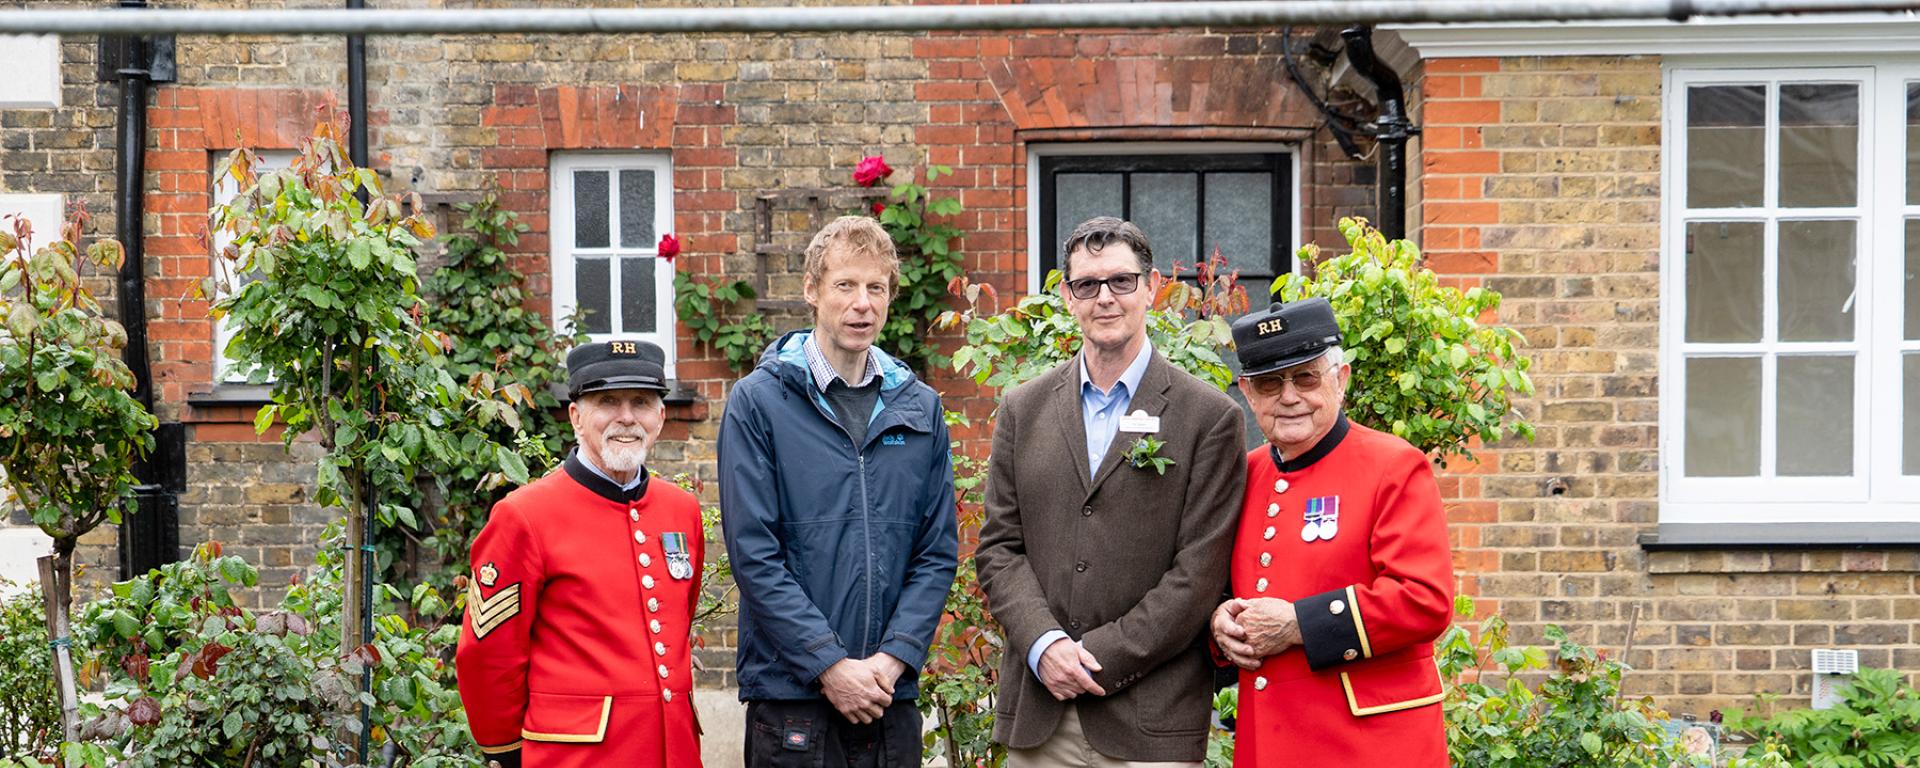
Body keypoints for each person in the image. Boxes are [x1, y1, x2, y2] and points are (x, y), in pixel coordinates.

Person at [976, 217, 1247, 767]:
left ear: (1151, 288)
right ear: (1067, 297)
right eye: (1087, 285)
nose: (1105, 298)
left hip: (1151, 720)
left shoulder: (1208, 417)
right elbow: (999, 549)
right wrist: (1044, 646)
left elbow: (1198, 576)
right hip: (1041, 711)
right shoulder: (1022, 409)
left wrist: (1092, 658)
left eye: (1121, 281)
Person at [718, 215, 959, 767]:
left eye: (876, 288)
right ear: (812, 291)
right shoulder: (759, 403)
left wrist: (894, 660)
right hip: (793, 700)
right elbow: (755, 555)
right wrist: (829, 665)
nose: (862, 304)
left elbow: (936, 551)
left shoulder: (919, 408)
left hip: (886, 697)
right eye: (845, 285)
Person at [1210, 297, 1454, 767]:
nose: (1289, 396)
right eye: (1268, 383)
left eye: (1306, 377)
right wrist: (1219, 623)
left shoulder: (1394, 466)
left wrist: (1298, 624)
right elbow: (1224, 587)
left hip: (1371, 746)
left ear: (1340, 379)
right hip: (1269, 741)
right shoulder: (1245, 474)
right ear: (1247, 392)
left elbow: (1424, 599)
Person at [455, 339, 704, 768]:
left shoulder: (681, 509)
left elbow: (678, 621)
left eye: (642, 402)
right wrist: (510, 753)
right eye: (607, 401)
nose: (627, 418)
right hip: (573, 756)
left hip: (674, 750)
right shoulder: (524, 515)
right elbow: (488, 655)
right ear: (576, 416)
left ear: (660, 417)